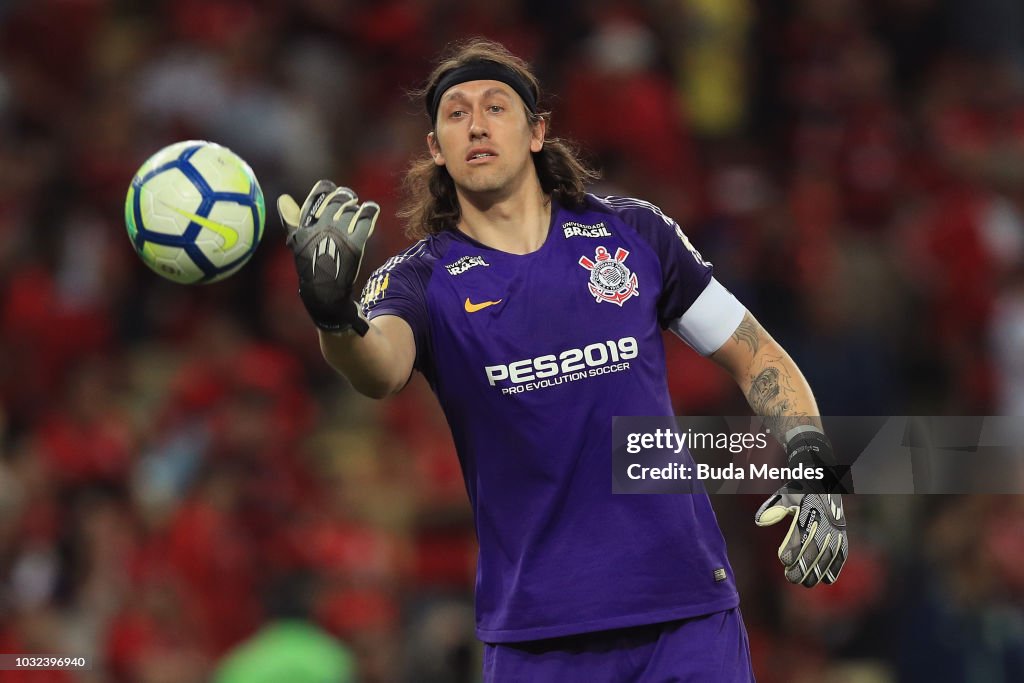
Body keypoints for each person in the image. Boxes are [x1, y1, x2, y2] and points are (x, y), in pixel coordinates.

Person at [277, 38, 848, 682]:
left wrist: (813, 460)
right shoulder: (421, 279)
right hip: (539, 637)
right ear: (436, 149)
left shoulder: (634, 233)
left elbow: (758, 356)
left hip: (686, 614)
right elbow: (377, 369)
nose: (478, 124)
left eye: (497, 106)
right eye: (456, 115)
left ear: (537, 132)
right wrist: (334, 316)